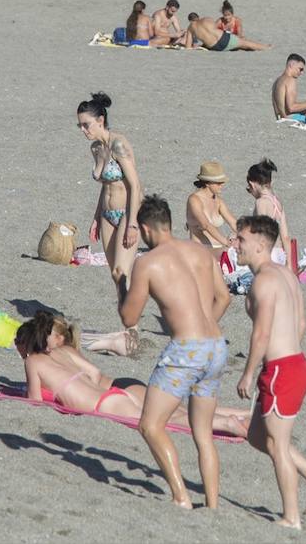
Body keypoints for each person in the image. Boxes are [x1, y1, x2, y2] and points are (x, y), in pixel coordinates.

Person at [116, 195, 233, 509]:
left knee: (150, 426)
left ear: (145, 228)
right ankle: (211, 505)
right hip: (215, 347)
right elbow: (224, 298)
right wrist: (203, 324)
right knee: (203, 434)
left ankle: (181, 496)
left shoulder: (147, 263)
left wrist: (120, 286)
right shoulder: (202, 252)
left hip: (186, 351)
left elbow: (129, 318)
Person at [231, 216, 306, 528]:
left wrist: (249, 373)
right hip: (294, 364)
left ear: (260, 244)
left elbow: (261, 334)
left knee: (277, 446)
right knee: (257, 435)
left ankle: (292, 518)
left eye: (241, 240)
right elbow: (301, 324)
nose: (235, 244)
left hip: (282, 370)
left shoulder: (264, 280)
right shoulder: (287, 275)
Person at [16, 310, 247, 437]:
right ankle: (240, 416)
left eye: (18, 342)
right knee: (173, 414)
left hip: (107, 401)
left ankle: (227, 424)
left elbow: (34, 402)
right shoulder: (62, 353)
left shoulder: (34, 361)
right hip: (116, 393)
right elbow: (93, 372)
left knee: (167, 420)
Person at [77, 93, 142, 296]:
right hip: (106, 213)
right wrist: (96, 216)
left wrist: (132, 223)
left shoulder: (118, 144)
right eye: (79, 125)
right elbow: (104, 185)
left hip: (126, 212)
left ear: (100, 120)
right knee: (115, 275)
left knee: (121, 271)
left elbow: (135, 186)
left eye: (86, 124)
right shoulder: (96, 148)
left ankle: (133, 321)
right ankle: (128, 322)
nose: (82, 129)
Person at [247, 159, 292, 264]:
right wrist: (289, 263)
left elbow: (262, 232)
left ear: (252, 184)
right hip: (280, 254)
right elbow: (285, 237)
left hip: (267, 254)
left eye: (249, 189)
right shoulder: (277, 202)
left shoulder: (261, 202)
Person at [186, 161, 235, 247]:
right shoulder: (194, 200)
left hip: (218, 250)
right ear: (208, 183)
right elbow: (205, 224)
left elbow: (233, 222)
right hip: (200, 251)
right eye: (218, 182)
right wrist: (226, 242)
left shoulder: (218, 200)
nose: (222, 185)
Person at [179, 12, 270, 51]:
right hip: (224, 39)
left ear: (190, 21)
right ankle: (266, 47)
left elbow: (188, 47)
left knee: (241, 46)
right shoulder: (207, 19)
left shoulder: (190, 28)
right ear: (198, 17)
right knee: (245, 43)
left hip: (215, 47)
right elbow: (215, 28)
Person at [272, 54, 306, 119]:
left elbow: (286, 111)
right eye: (300, 69)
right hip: (289, 120)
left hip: (280, 119)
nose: (302, 72)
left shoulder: (277, 81)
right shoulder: (290, 80)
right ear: (291, 65)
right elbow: (292, 108)